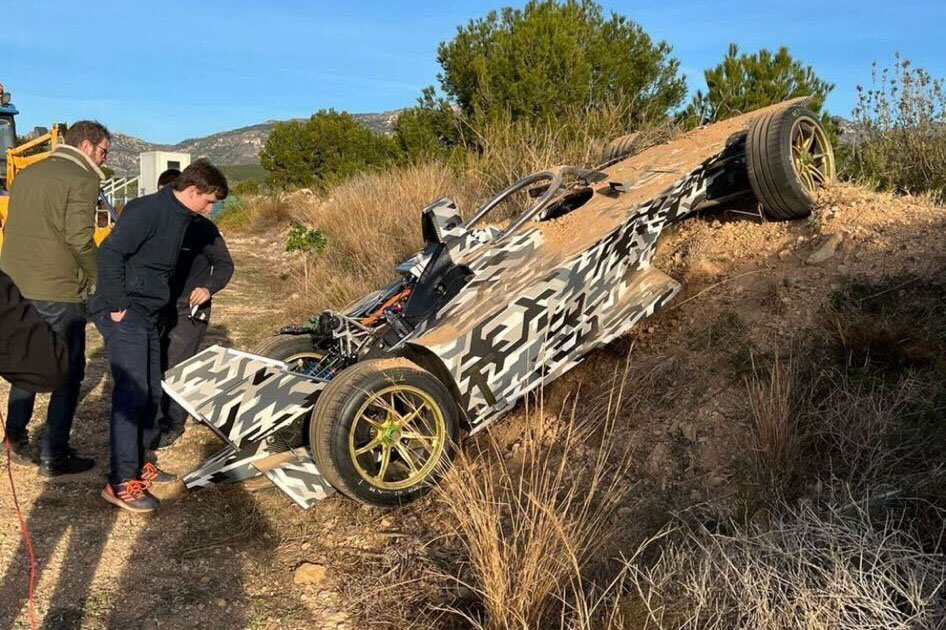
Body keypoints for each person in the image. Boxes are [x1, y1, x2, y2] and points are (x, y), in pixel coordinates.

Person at [90, 159, 228, 513]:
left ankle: (140, 465)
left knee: (152, 392)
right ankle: (121, 483)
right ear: (193, 191)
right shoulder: (148, 210)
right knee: (132, 396)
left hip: (149, 315)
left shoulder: (186, 220)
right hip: (127, 312)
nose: (210, 208)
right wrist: (117, 304)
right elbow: (110, 253)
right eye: (209, 200)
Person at [0, 120, 109, 475]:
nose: (104, 159)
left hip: (16, 285)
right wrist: (103, 281)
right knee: (68, 372)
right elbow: (79, 239)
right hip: (58, 290)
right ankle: (54, 454)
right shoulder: (83, 178)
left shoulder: (28, 175)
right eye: (104, 151)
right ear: (88, 146)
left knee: (27, 360)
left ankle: (13, 437)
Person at [152, 168, 233, 450]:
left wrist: (208, 288)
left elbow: (225, 265)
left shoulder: (203, 228)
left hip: (190, 308)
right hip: (157, 306)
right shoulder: (155, 221)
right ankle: (151, 416)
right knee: (154, 362)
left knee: (176, 366)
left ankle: (173, 423)